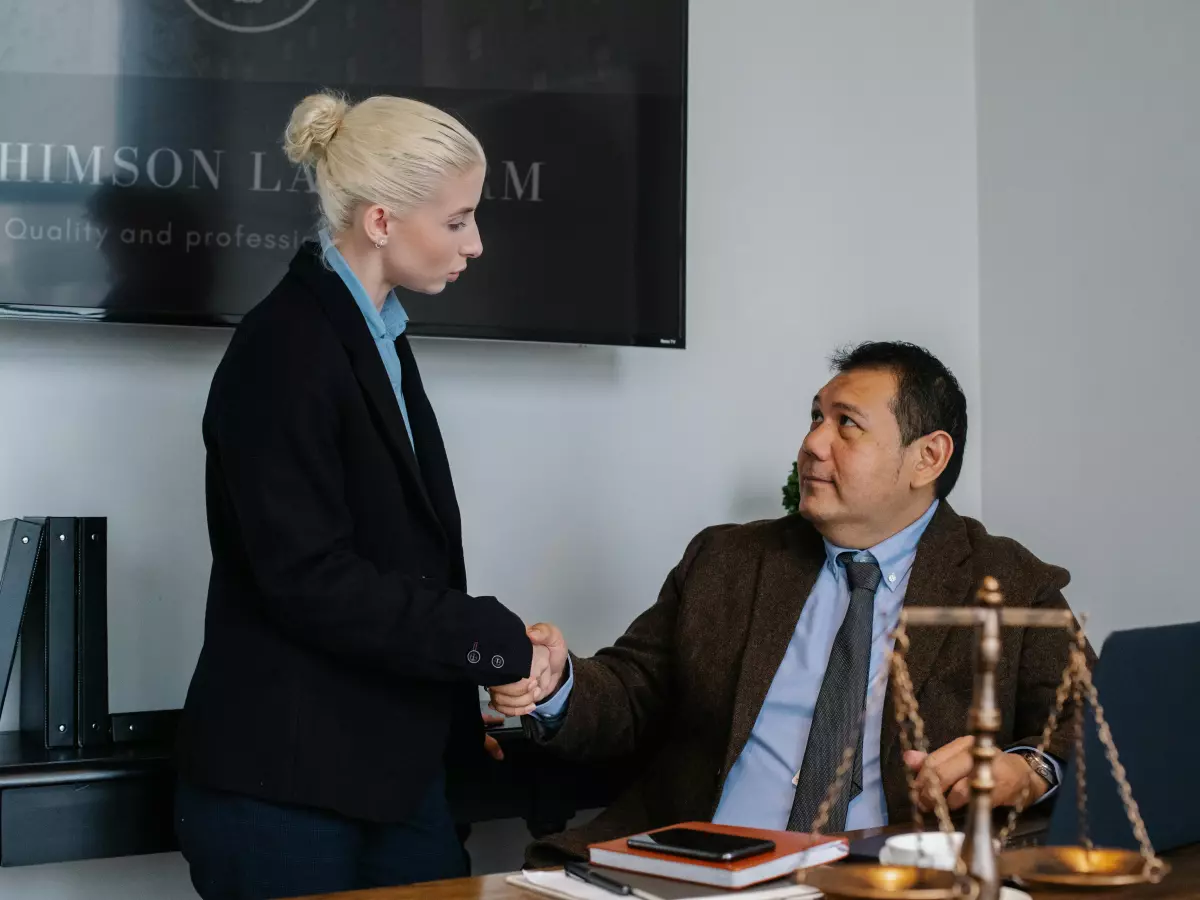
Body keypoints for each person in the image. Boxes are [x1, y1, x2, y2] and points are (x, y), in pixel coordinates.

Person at [489, 341, 1094, 866]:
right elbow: (632, 688)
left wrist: (1029, 770)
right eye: (814, 419)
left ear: (927, 457)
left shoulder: (1006, 580)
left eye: (846, 424)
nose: (811, 444)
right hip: (696, 870)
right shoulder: (729, 560)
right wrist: (557, 682)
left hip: (891, 880)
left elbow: (1088, 721)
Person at [175, 92, 550, 899]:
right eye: (457, 221)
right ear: (381, 222)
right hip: (287, 793)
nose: (476, 243)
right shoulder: (283, 349)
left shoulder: (373, 334)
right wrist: (490, 641)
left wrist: (474, 685)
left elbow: (396, 559)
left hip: (386, 780)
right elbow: (311, 579)